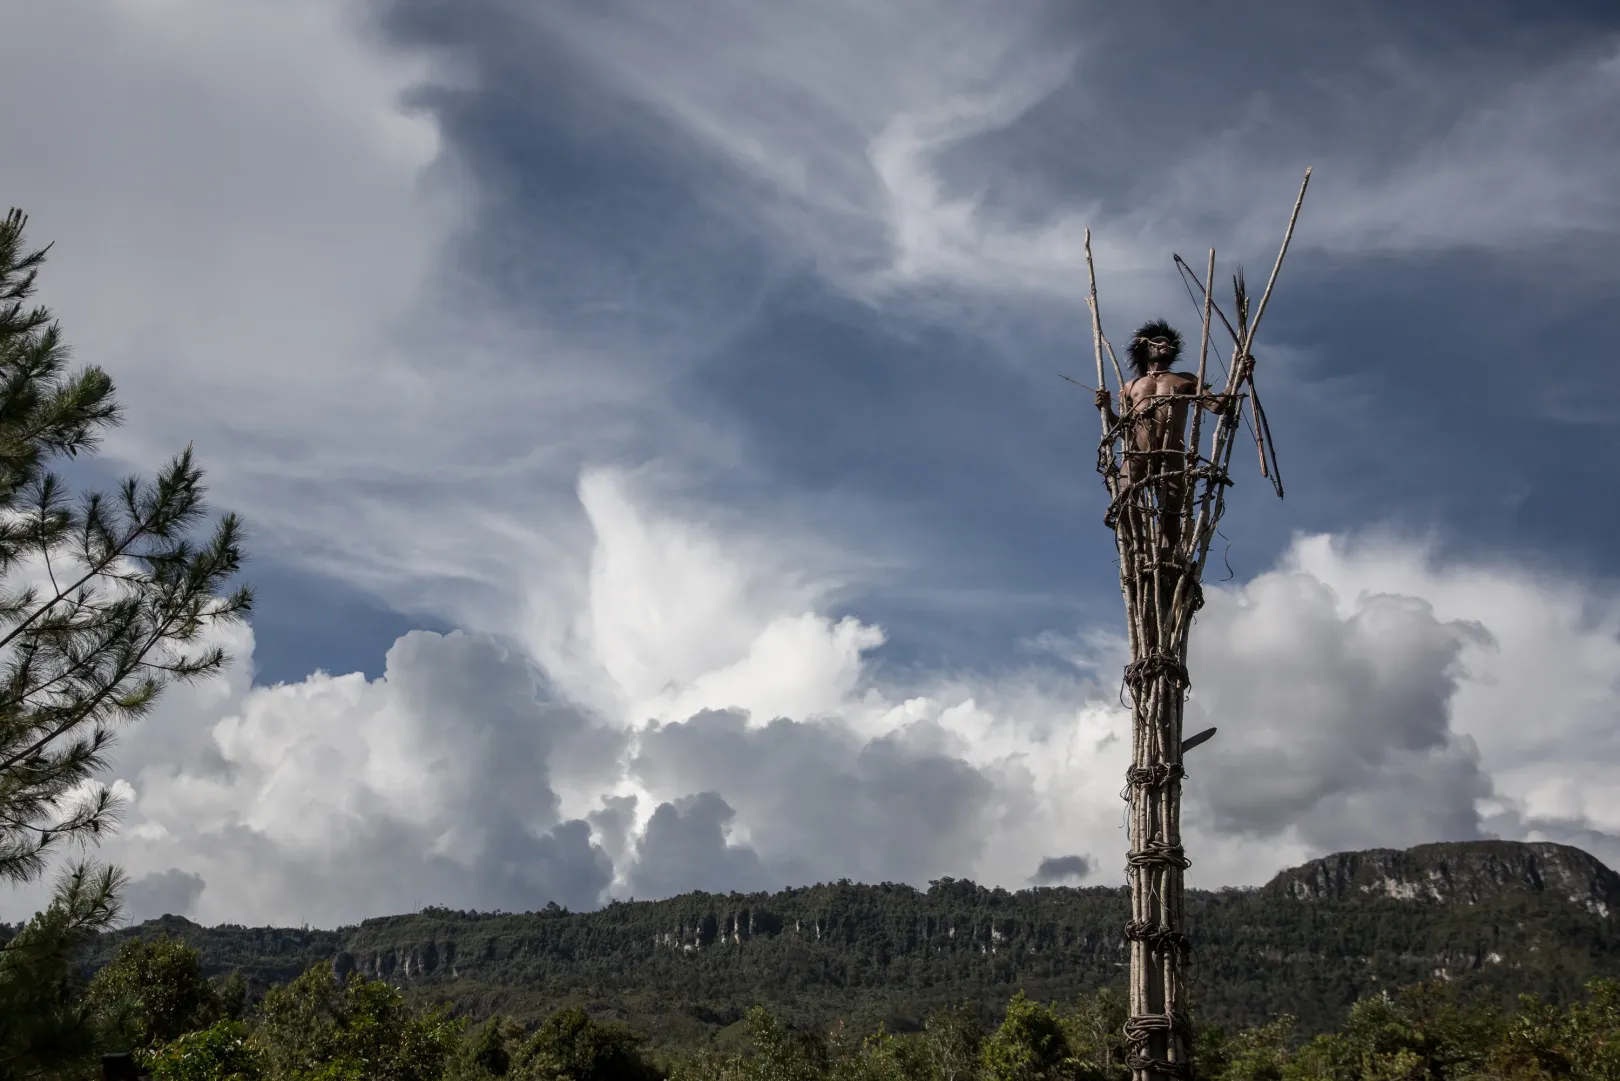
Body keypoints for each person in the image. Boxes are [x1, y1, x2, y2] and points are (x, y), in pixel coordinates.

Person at [1094, 319, 1248, 550]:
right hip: (1137, 451)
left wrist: (1238, 377)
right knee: (1124, 496)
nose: (1165, 344)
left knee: (1172, 510)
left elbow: (1216, 406)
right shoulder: (1131, 386)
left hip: (1172, 452)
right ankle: (1139, 548)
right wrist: (1105, 409)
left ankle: (1168, 557)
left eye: (1168, 342)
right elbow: (1122, 430)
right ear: (1146, 347)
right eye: (1158, 341)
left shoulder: (1184, 379)